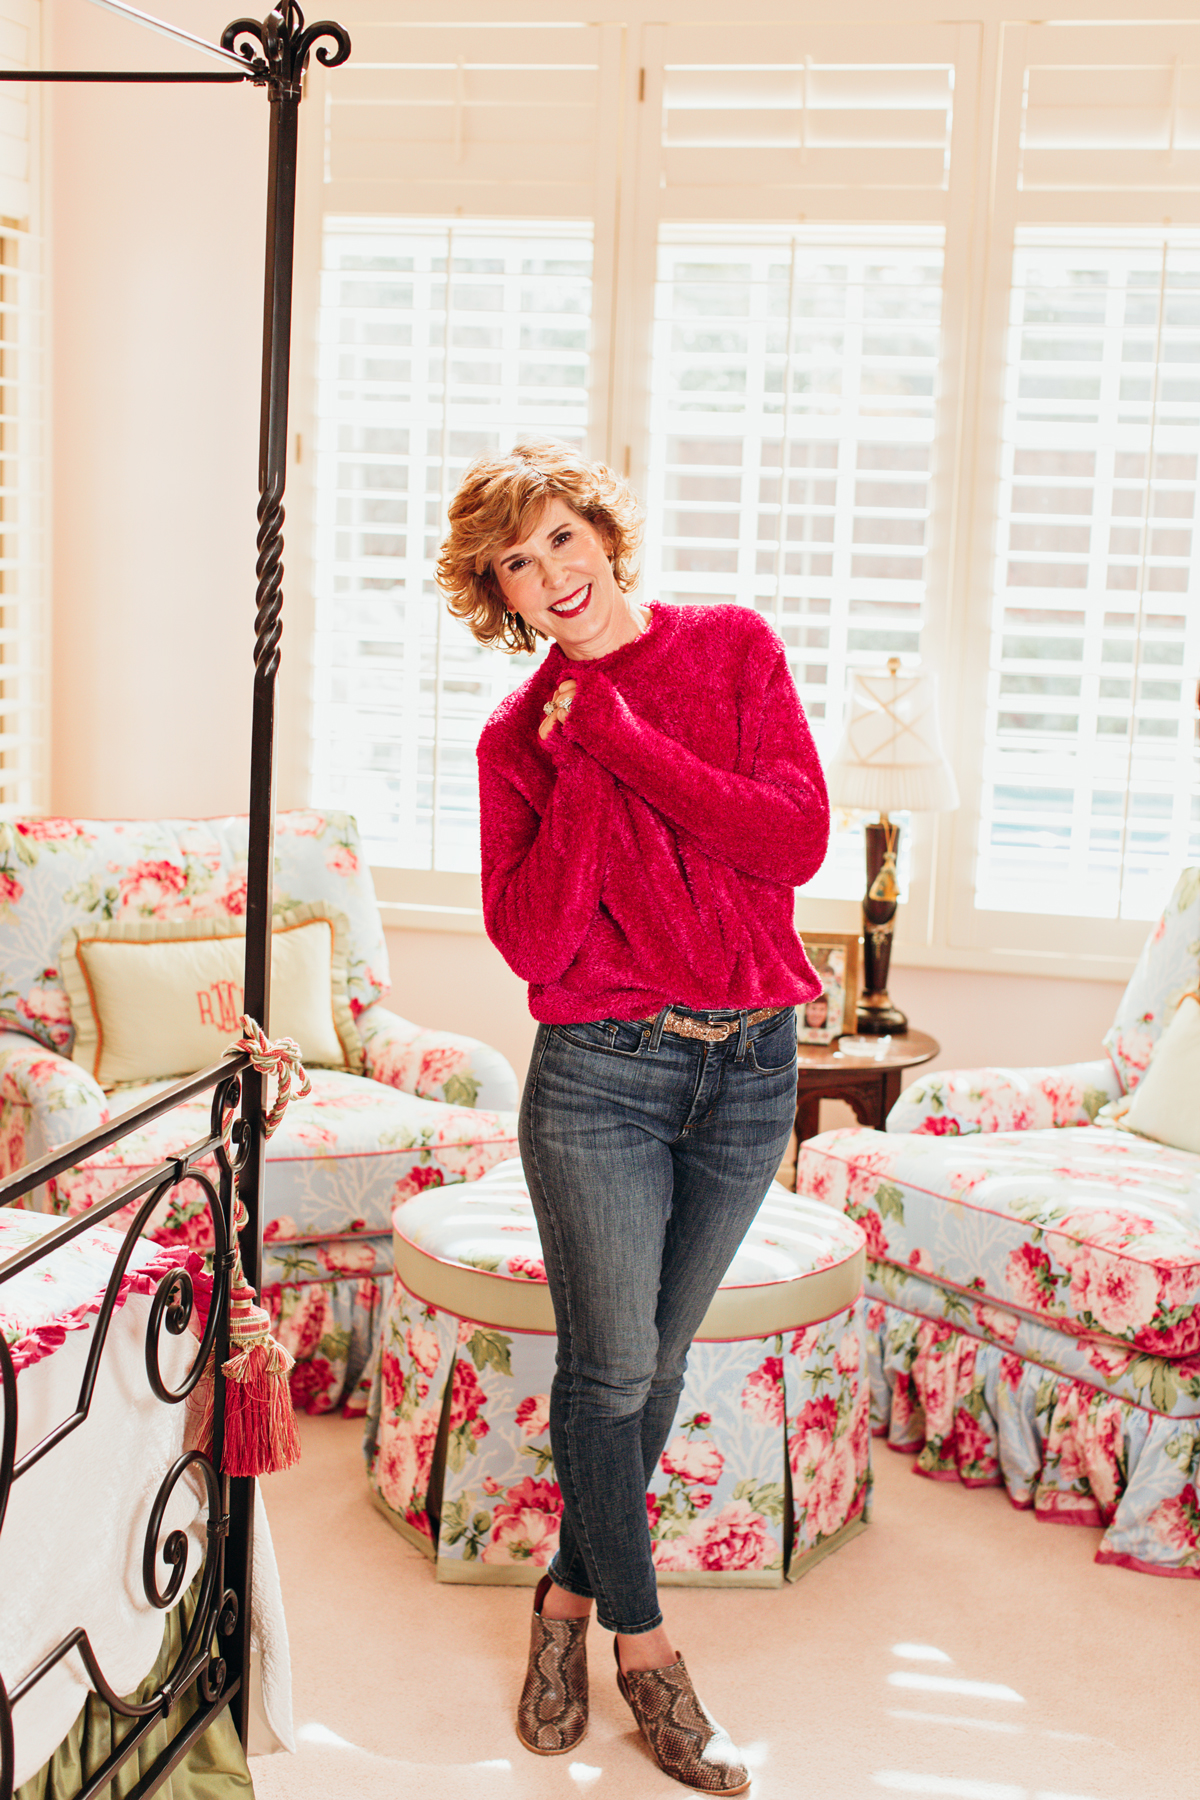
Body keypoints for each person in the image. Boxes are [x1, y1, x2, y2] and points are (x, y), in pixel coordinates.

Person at [437, 439, 829, 1796]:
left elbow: (789, 841)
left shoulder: (731, 649)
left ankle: (556, 1604)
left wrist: (621, 735)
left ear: (601, 530)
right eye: (517, 562)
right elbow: (539, 941)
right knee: (612, 1370)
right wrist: (584, 747)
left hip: (753, 1072)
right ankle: (644, 1655)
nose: (551, 573)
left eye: (559, 537)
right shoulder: (516, 740)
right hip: (602, 1074)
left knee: (653, 1367)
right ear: (499, 593)